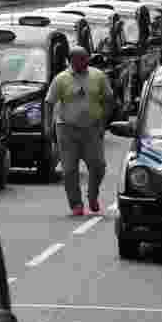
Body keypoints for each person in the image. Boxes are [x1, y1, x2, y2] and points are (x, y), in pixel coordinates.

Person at [45, 46, 114, 217]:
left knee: (98, 165)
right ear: (71, 61)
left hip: (92, 128)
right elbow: (49, 103)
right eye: (80, 59)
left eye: (85, 59)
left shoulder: (98, 76)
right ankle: (76, 203)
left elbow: (108, 99)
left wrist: (103, 122)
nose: (84, 62)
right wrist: (48, 126)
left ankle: (92, 195)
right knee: (69, 169)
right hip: (66, 129)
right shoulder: (60, 79)